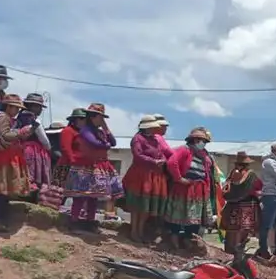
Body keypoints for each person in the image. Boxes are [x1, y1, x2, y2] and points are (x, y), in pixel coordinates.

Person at [64, 103, 123, 233]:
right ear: (92, 117)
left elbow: (113, 142)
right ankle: (74, 221)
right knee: (80, 196)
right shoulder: (86, 130)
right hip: (85, 166)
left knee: (93, 197)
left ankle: (90, 222)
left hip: (98, 166)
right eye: (99, 117)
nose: (101, 120)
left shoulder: (100, 131)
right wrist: (105, 144)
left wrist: (106, 128)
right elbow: (95, 143)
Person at [0, 93, 33, 231]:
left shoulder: (3, 117)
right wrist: (21, 132)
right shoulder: (3, 117)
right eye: (15, 107)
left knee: (3, 191)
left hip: (4, 158)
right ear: (8, 106)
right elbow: (5, 135)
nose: (17, 111)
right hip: (2, 159)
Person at [122, 115, 172, 243]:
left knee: (146, 206)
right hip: (140, 174)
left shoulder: (155, 140)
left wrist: (162, 161)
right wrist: (154, 161)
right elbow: (138, 155)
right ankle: (134, 231)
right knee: (137, 205)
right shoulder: (137, 139)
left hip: (154, 175)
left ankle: (140, 231)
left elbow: (162, 153)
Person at [164, 127, 215, 249]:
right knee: (178, 214)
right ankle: (174, 239)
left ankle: (189, 240)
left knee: (195, 218)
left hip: (199, 191)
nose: (203, 144)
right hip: (184, 189)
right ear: (194, 140)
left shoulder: (205, 156)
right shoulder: (184, 150)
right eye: (201, 140)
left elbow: (207, 172)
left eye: (205, 141)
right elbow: (172, 163)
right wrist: (179, 178)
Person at [221, 151, 263, 254]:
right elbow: (258, 187)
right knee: (243, 231)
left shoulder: (232, 174)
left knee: (232, 231)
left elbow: (226, 189)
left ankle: (229, 251)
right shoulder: (251, 174)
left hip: (232, 206)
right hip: (247, 206)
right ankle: (239, 251)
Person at [16, 93, 52, 196]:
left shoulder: (19, 117)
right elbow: (44, 139)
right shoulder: (34, 120)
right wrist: (48, 148)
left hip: (20, 147)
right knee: (32, 175)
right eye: (39, 107)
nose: (41, 110)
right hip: (32, 150)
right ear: (32, 106)